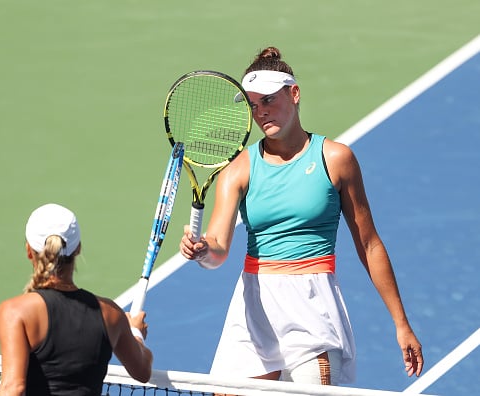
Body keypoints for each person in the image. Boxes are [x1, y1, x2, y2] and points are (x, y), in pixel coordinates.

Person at [179, 47, 424, 385]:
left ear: (293, 94)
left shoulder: (336, 159)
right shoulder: (238, 169)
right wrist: (203, 250)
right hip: (253, 310)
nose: (261, 112)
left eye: (268, 100)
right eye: (253, 105)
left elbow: (368, 244)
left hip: (312, 309)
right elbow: (217, 248)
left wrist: (402, 324)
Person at [0, 203, 153, 396]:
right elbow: (142, 371)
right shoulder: (111, 314)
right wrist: (135, 332)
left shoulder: (16, 312)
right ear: (77, 248)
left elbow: (13, 388)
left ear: (29, 251)